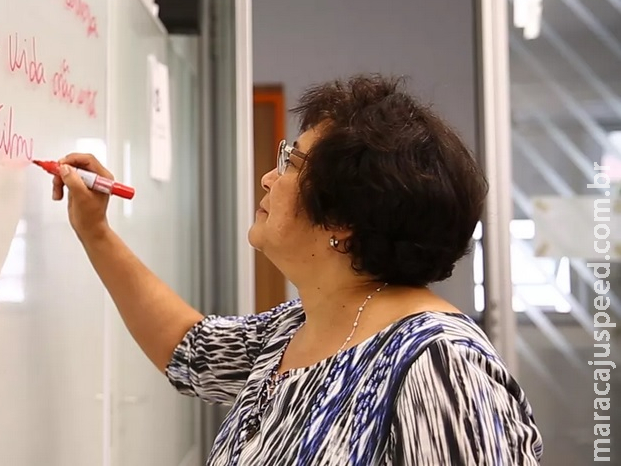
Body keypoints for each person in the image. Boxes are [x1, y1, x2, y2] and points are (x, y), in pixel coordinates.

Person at [49, 75, 543, 465]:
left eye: (290, 162)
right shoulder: (301, 324)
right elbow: (192, 353)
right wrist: (96, 232)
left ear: (345, 221)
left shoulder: (437, 363)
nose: (268, 177)